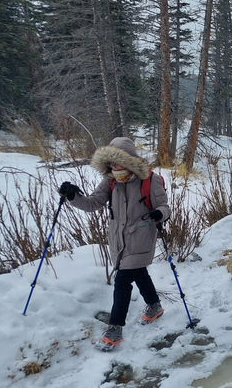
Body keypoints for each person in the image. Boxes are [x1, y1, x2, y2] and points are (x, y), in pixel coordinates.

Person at [58, 137, 170, 350]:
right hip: (118, 240)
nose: (114, 167)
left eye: (117, 162)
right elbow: (92, 203)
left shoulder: (149, 180)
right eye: (111, 163)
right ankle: (154, 306)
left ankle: (115, 328)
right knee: (138, 273)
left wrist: (159, 214)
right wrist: (73, 196)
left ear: (129, 161)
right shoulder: (110, 181)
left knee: (123, 280)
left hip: (141, 237)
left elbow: (165, 207)